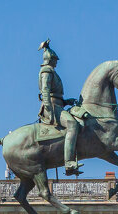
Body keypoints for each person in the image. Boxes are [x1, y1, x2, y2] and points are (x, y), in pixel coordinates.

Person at [36, 39, 83, 176]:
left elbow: (54, 94)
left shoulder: (52, 71)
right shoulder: (47, 71)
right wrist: (49, 110)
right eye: (55, 59)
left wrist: (66, 101)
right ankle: (68, 162)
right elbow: (45, 91)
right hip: (51, 107)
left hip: (57, 105)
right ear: (50, 59)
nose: (57, 62)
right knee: (72, 124)